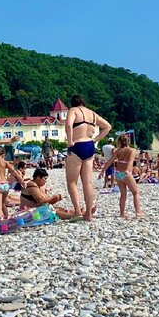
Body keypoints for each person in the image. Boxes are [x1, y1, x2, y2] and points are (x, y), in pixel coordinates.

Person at [64, 94, 112, 222]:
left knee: (72, 182)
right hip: (89, 146)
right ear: (83, 103)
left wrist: (69, 141)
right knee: (87, 182)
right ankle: (89, 215)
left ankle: (78, 212)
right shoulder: (92, 114)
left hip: (77, 145)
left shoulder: (72, 111)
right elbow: (107, 127)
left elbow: (68, 125)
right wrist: (96, 139)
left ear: (73, 103)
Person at [109, 134, 143, 218]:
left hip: (118, 173)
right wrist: (128, 170)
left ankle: (122, 213)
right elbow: (131, 160)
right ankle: (138, 211)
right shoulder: (132, 150)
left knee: (123, 194)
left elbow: (110, 161)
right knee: (136, 192)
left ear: (119, 142)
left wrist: (102, 171)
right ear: (128, 141)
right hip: (126, 173)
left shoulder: (118, 151)